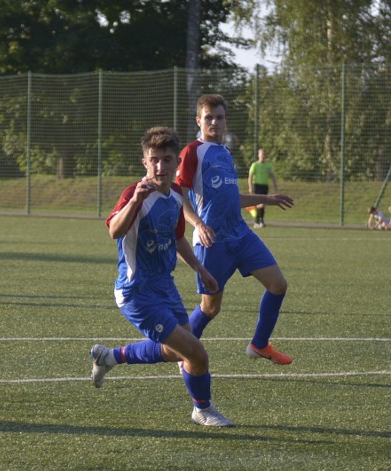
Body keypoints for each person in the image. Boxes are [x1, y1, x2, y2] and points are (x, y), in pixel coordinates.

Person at [89, 126, 233, 427]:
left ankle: (109, 357)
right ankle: (202, 409)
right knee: (196, 353)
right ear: (144, 162)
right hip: (136, 291)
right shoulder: (134, 193)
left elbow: (178, 237)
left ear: (176, 164)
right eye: (154, 159)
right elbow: (114, 231)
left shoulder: (176, 196)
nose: (160, 166)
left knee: (173, 351)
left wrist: (201, 269)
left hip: (164, 286)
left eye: (167, 160)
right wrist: (134, 202)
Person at [176, 94, 295, 365]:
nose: (214, 122)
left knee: (278, 285)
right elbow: (180, 197)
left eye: (219, 117)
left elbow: (231, 199)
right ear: (199, 120)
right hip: (212, 242)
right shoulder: (192, 151)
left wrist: (267, 199)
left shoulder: (226, 154)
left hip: (241, 235)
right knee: (211, 307)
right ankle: (183, 351)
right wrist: (199, 224)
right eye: (209, 118)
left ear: (225, 121)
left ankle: (260, 344)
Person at [247, 148, 279, 228]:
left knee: (263, 203)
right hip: (257, 186)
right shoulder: (255, 165)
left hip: (264, 186)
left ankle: (261, 220)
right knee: (257, 203)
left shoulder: (268, 165)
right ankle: (256, 221)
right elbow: (250, 176)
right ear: (258, 155)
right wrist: (250, 187)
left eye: (264, 155)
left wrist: (275, 186)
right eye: (261, 154)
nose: (263, 156)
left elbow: (272, 176)